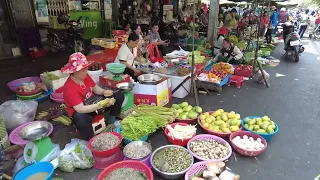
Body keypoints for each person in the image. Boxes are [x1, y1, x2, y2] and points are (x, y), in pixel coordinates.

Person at [62, 53, 125, 140]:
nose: (86, 72)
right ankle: (91, 138)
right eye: (83, 70)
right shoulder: (69, 87)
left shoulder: (85, 76)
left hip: (94, 102)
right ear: (74, 71)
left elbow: (95, 88)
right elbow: (80, 109)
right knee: (80, 119)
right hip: (83, 111)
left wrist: (103, 91)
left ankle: (112, 119)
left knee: (119, 94)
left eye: (86, 69)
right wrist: (102, 104)